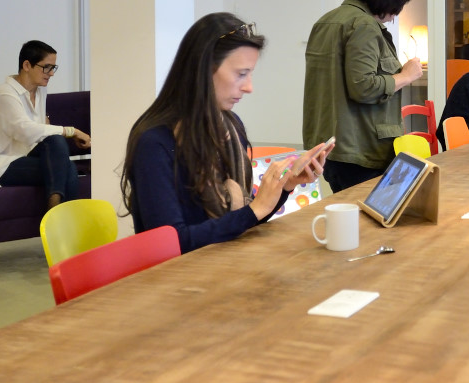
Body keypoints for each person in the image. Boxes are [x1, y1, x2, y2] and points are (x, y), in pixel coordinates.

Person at [123, 13, 331, 252]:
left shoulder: (230, 127)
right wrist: (255, 209)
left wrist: (285, 186)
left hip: (224, 264)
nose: (249, 87)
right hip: (176, 280)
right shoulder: (154, 142)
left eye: (250, 74)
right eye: (241, 74)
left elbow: (242, 222)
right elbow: (171, 245)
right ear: (203, 70)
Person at [303, 0, 424, 192]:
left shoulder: (326, 21)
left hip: (329, 145)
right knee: (368, 222)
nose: (395, 15)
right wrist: (406, 76)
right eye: (399, 4)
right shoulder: (364, 26)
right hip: (360, 148)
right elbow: (363, 86)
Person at [0, 40, 89, 210]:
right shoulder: (4, 94)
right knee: (67, 167)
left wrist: (49, 128)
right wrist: (72, 131)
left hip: (25, 156)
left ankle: (56, 214)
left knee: (56, 142)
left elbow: (37, 133)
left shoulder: (40, 91)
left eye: (53, 68)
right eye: (46, 67)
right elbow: (24, 131)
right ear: (27, 65)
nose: (51, 73)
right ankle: (58, 216)